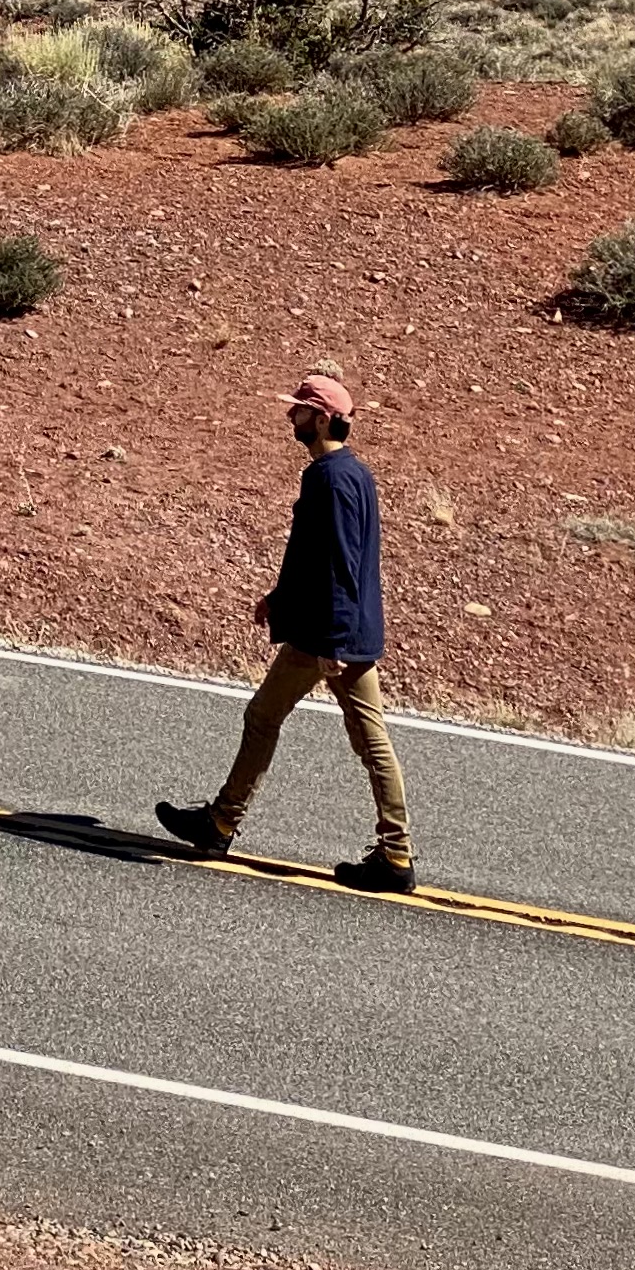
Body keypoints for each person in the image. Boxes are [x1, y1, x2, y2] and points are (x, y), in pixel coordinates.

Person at [155, 370, 415, 894]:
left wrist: (334, 644)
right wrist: (281, 597)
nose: (290, 417)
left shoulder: (331, 479)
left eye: (298, 410)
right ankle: (223, 821)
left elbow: (341, 564)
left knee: (355, 738)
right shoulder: (351, 473)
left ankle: (392, 854)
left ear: (321, 419)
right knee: (285, 720)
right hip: (333, 630)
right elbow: (318, 556)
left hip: (330, 637)